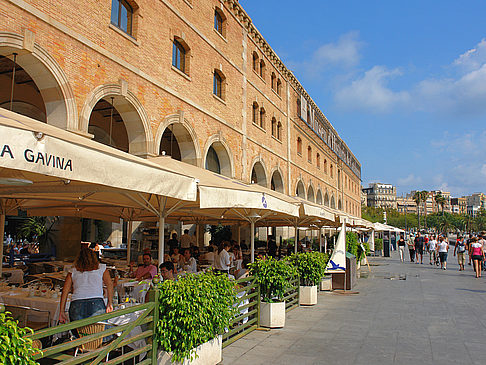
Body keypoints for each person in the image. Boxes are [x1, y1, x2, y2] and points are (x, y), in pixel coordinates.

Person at [59, 246, 113, 323]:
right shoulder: (102, 268)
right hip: (96, 302)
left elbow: (65, 291)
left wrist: (62, 311)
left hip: (77, 303)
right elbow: (109, 284)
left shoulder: (73, 271)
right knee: (97, 331)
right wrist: (109, 303)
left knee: (78, 333)